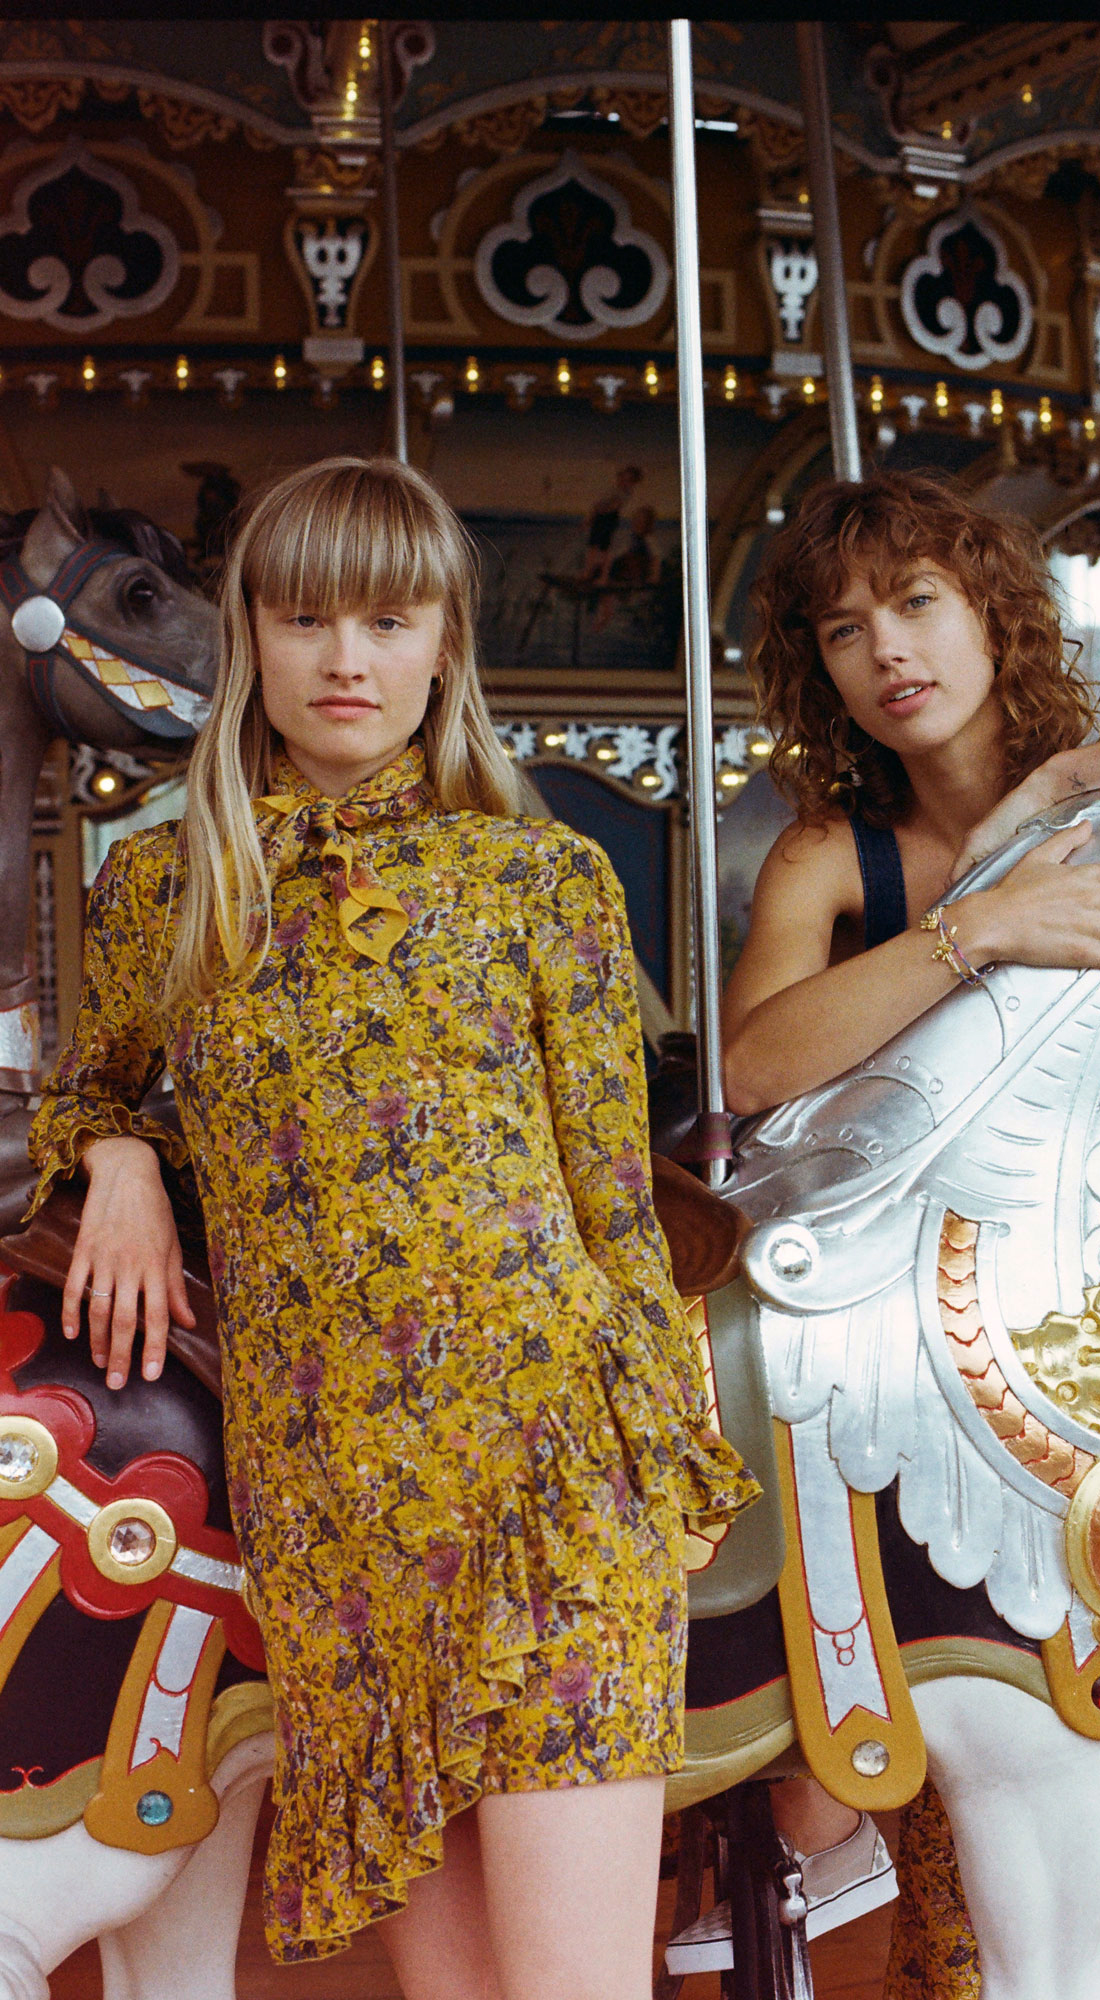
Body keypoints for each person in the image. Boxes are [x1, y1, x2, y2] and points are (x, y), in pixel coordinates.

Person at [27, 456, 757, 1996]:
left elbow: (610, 1201)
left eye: (386, 620)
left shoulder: (542, 880)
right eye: (304, 620)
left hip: (551, 1475)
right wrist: (127, 1158)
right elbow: (89, 1087)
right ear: (251, 637)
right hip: (338, 1506)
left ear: (443, 647)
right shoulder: (167, 881)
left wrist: (659, 1453)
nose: (345, 659)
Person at [710, 469, 1100, 1993]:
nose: (886, 649)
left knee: (1058, 1768)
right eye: (843, 628)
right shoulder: (832, 854)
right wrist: (975, 928)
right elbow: (757, 1065)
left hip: (1086, 1331)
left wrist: (1062, 785)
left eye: (917, 601)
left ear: (992, 612)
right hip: (903, 1345)